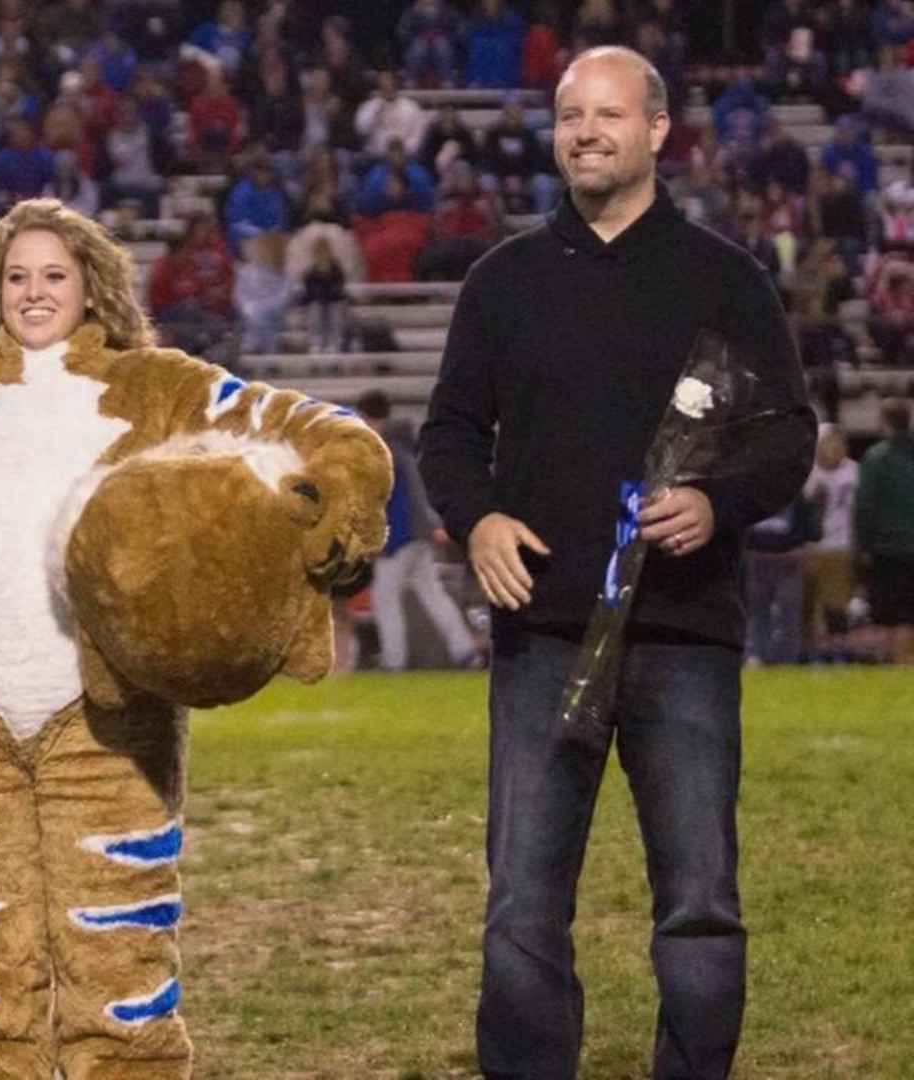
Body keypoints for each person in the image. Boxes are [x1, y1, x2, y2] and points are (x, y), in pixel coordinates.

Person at [0, 20, 392, 1078]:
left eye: (54, 273)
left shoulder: (162, 390)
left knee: (119, 969)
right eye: (16, 275)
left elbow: (297, 425)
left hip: (104, 715)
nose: (32, 290)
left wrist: (347, 474)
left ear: (93, 282)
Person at [420, 47, 816, 1079]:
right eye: (569, 114)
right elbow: (451, 433)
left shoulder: (725, 279)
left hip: (685, 636)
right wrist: (479, 519)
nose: (586, 130)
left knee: (698, 906)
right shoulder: (500, 280)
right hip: (544, 637)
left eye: (609, 113)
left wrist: (716, 502)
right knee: (522, 906)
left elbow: (787, 433)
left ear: (658, 132)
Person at [357, 389, 479, 670]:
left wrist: (387, 542)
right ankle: (465, 651)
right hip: (421, 533)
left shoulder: (384, 448)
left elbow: (396, 503)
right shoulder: (405, 444)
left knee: (385, 597)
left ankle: (393, 659)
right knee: (432, 593)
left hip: (402, 536)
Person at [856, 398, 914, 664]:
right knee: (908, 613)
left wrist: (863, 546)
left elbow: (865, 507)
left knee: (890, 612)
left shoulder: (877, 458)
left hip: (886, 547)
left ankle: (894, 661)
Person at [802, 425, 860, 659]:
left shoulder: (854, 472)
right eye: (829, 442)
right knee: (808, 604)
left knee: (836, 604)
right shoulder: (808, 473)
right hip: (810, 547)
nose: (834, 447)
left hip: (840, 546)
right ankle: (811, 651)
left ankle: (837, 652)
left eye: (838, 442)